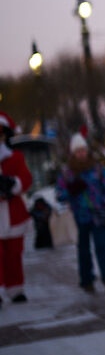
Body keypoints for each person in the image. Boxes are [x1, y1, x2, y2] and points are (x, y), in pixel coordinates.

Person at [56, 133, 105, 294]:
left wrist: (103, 200)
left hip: (98, 214)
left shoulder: (97, 168)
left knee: (102, 247)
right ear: (73, 153)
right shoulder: (68, 172)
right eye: (78, 151)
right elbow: (60, 194)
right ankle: (87, 280)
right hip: (79, 216)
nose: (81, 154)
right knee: (83, 249)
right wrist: (71, 191)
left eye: (83, 150)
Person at [0, 111, 32, 307]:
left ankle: (15, 288)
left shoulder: (15, 157)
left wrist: (13, 184)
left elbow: (26, 179)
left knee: (14, 254)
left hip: (13, 214)